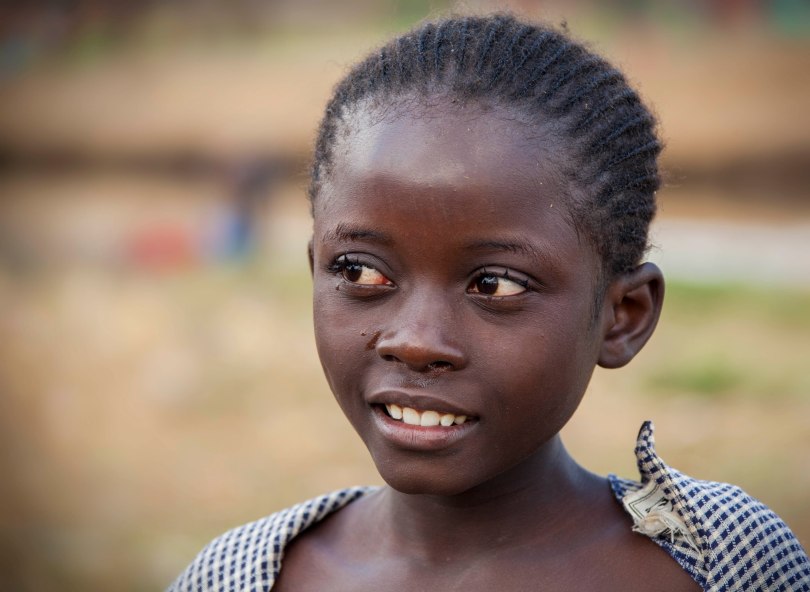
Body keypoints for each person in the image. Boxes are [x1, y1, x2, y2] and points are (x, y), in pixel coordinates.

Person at [168, 13, 810, 591]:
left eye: (495, 285)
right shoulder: (239, 577)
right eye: (360, 270)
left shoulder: (725, 564)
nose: (415, 340)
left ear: (624, 316)